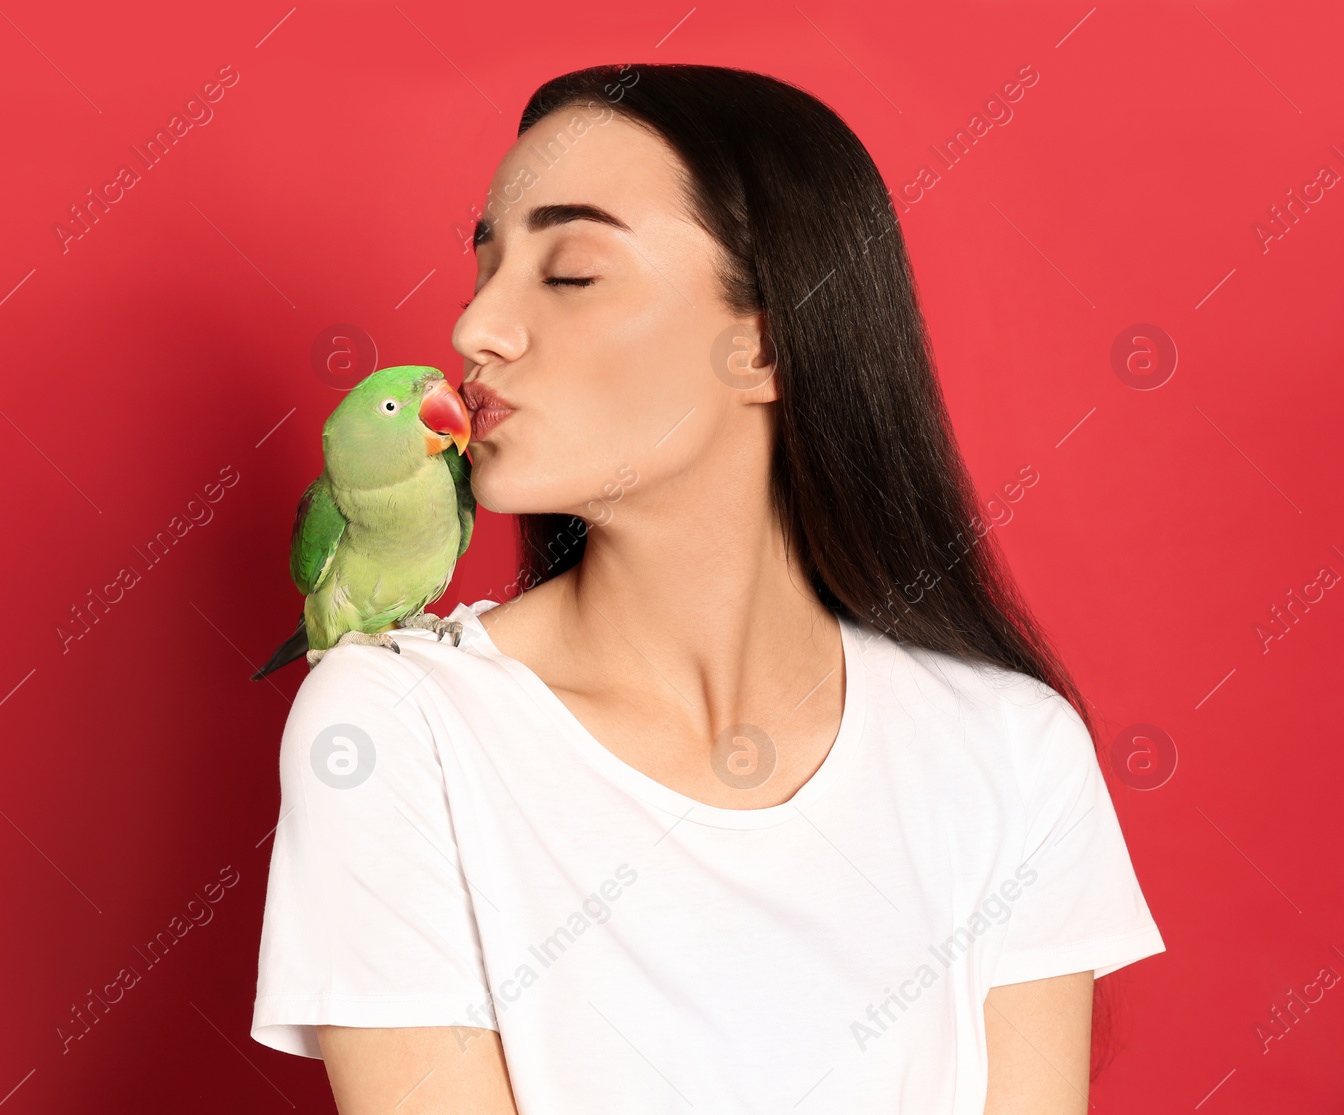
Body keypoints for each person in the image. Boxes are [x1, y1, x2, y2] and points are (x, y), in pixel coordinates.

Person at [250, 62, 1165, 1113]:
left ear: (768, 339)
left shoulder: (1010, 749)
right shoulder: (396, 728)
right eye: (482, 268)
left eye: (571, 272)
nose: (472, 332)